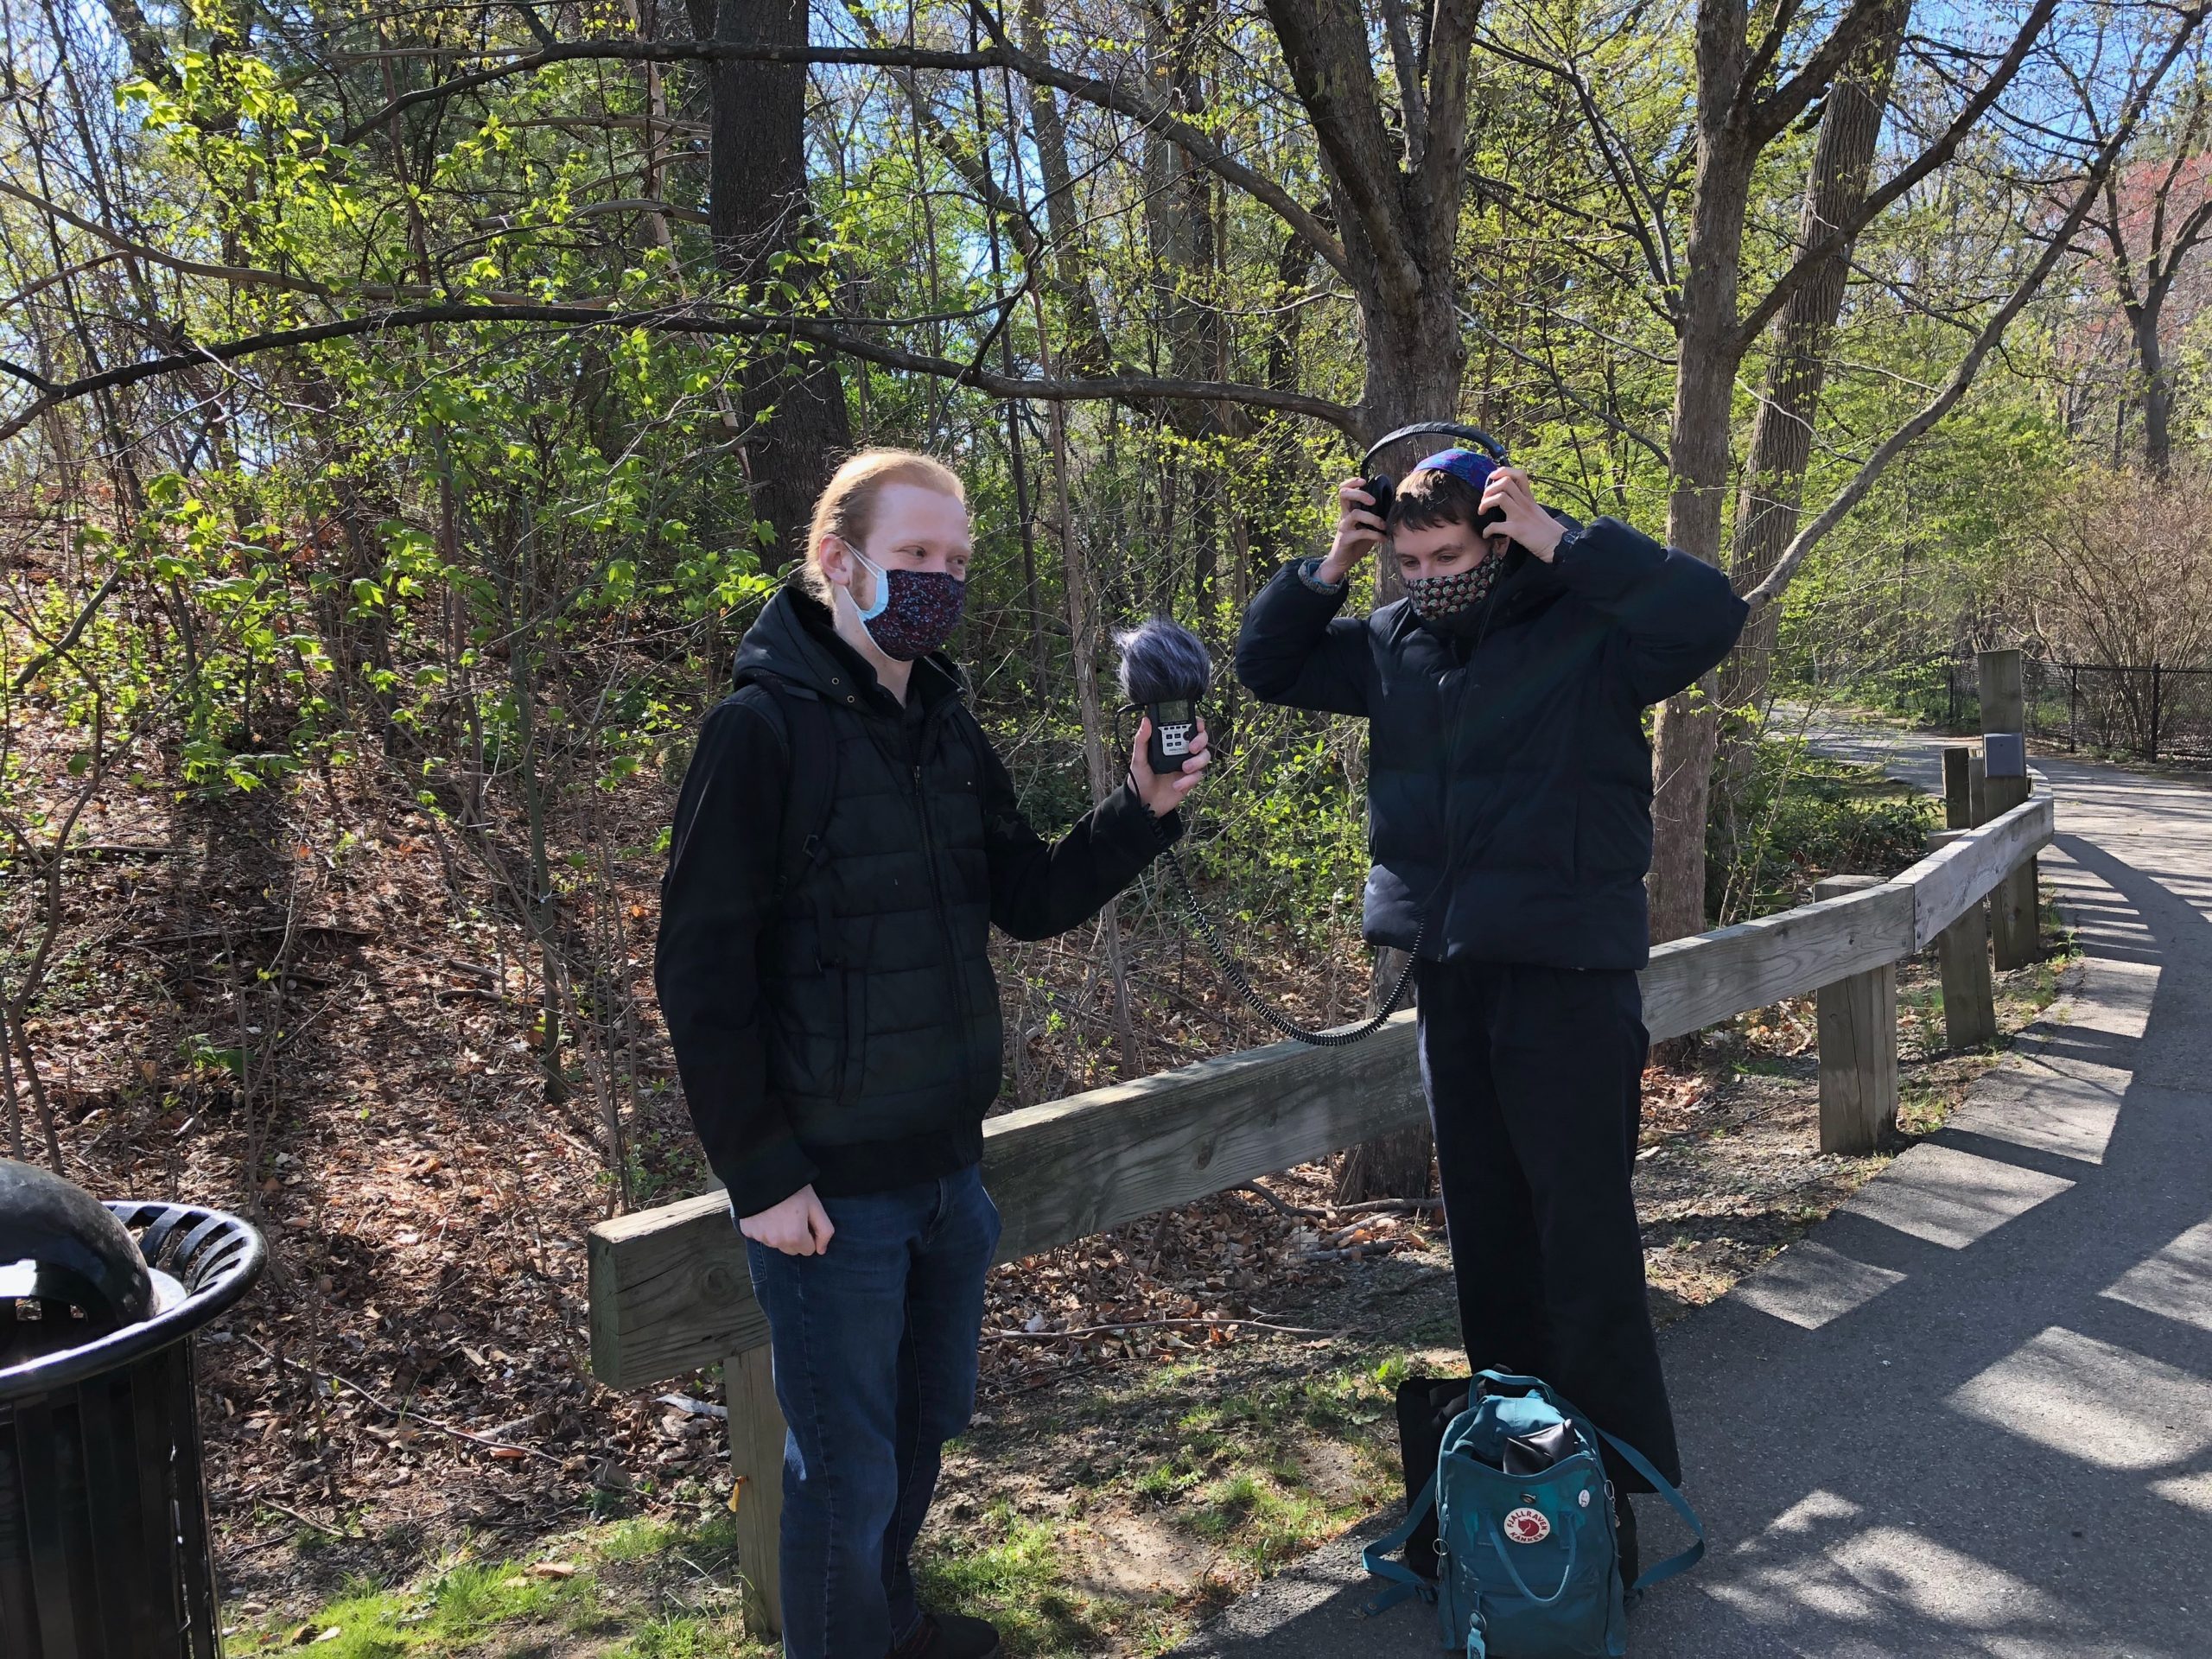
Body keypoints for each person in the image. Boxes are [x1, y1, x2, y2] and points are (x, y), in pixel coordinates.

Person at [656, 449, 1209, 1659]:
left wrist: (1139, 814)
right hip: (827, 1198)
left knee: (916, 1433)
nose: (939, 583)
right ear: (836, 562)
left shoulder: (944, 724)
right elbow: (699, 973)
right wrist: (761, 1172)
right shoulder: (759, 733)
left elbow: (1028, 895)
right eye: (915, 559)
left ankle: (888, 1628)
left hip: (948, 1173)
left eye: (956, 561)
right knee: (843, 1472)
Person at [1234, 449, 1745, 1584]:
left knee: (1585, 1242)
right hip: (1452, 984)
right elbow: (1264, 665)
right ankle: (1521, 1482)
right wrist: (1332, 564)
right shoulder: (1391, 646)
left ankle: (1609, 1489)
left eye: (1450, 555)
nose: (1429, 578)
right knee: (1491, 1248)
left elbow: (1710, 614)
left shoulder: (1593, 626)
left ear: (1498, 536)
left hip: (1567, 980)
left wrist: (1567, 539)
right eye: (1408, 562)